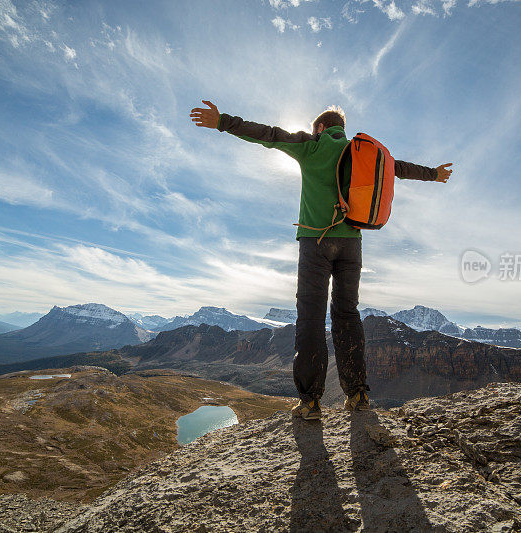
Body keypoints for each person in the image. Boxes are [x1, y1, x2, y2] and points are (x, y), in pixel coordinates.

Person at [190, 100, 452, 420]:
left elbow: (268, 134)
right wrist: (433, 174)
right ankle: (357, 395)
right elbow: (396, 167)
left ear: (320, 128)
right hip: (351, 245)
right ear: (341, 128)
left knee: (311, 318)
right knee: (347, 315)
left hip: (315, 242)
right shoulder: (362, 152)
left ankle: (311, 402)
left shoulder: (311, 145)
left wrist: (222, 122)